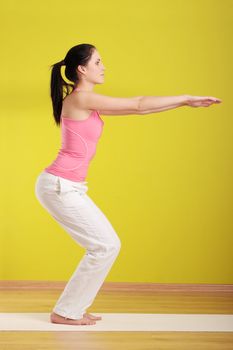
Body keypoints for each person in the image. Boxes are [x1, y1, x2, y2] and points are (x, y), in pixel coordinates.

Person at [34, 43, 222, 326]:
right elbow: (137, 103)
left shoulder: (87, 101)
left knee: (106, 245)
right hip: (60, 186)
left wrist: (185, 103)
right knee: (105, 245)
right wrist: (185, 96)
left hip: (69, 186)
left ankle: (71, 309)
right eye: (98, 62)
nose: (104, 66)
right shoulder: (81, 98)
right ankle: (66, 311)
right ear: (82, 69)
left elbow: (140, 111)